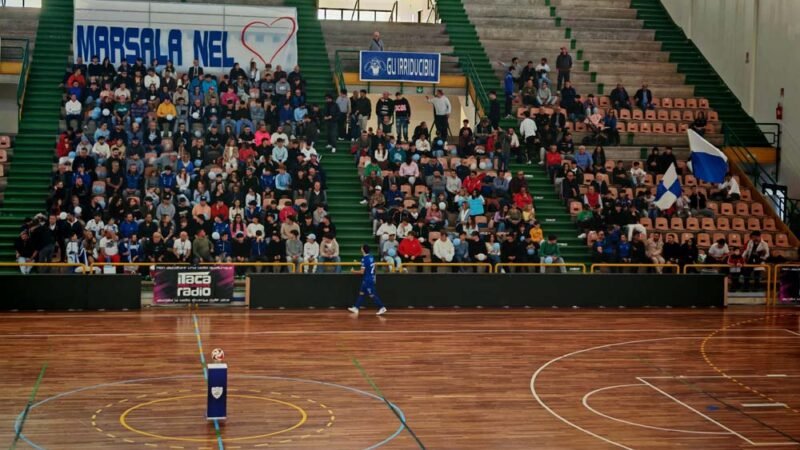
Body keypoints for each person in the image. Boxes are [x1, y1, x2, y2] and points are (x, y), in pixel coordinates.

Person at [348, 244, 387, 315]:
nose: (360, 249)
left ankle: (382, 307)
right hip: (370, 278)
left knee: (372, 294)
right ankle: (356, 308)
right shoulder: (371, 257)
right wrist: (374, 276)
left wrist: (353, 271)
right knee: (361, 293)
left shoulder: (364, 259)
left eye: (361, 248)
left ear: (363, 250)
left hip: (367, 280)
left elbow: (361, 272)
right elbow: (375, 266)